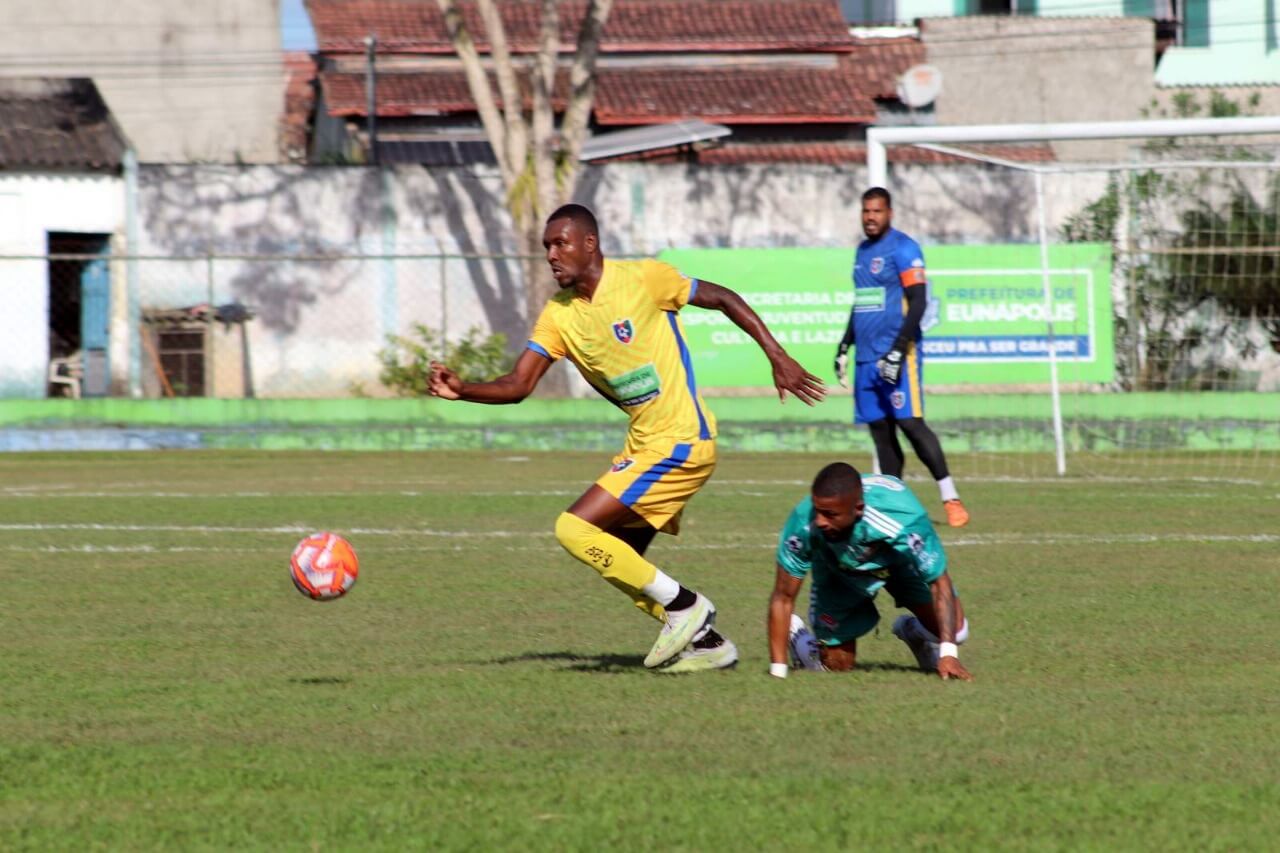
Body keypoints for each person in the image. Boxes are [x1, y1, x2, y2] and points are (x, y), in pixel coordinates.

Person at [429, 203, 825, 673]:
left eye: (561, 243)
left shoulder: (644, 279)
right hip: (646, 446)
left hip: (680, 440)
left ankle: (685, 608)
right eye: (546, 247)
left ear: (589, 244)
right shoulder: (559, 316)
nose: (552, 255)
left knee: (572, 528)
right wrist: (463, 390)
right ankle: (708, 643)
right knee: (620, 560)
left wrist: (776, 356)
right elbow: (518, 384)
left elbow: (722, 298)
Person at [834, 187, 970, 528]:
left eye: (877, 211)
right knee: (880, 429)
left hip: (898, 353)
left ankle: (950, 497)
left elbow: (919, 301)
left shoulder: (904, 248)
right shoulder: (862, 251)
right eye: (866, 211)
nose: (870, 217)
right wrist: (844, 345)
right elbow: (862, 302)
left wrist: (898, 349)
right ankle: (894, 504)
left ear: (889, 213)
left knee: (910, 423)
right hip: (866, 358)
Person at [766, 461, 972, 681]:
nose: (820, 521)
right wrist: (778, 673)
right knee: (837, 665)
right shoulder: (803, 522)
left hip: (896, 562)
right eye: (818, 511)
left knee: (957, 631)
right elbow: (783, 597)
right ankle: (798, 638)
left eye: (830, 514)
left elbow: (939, 583)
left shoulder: (904, 518)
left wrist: (949, 653)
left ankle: (912, 631)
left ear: (858, 509)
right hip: (838, 574)